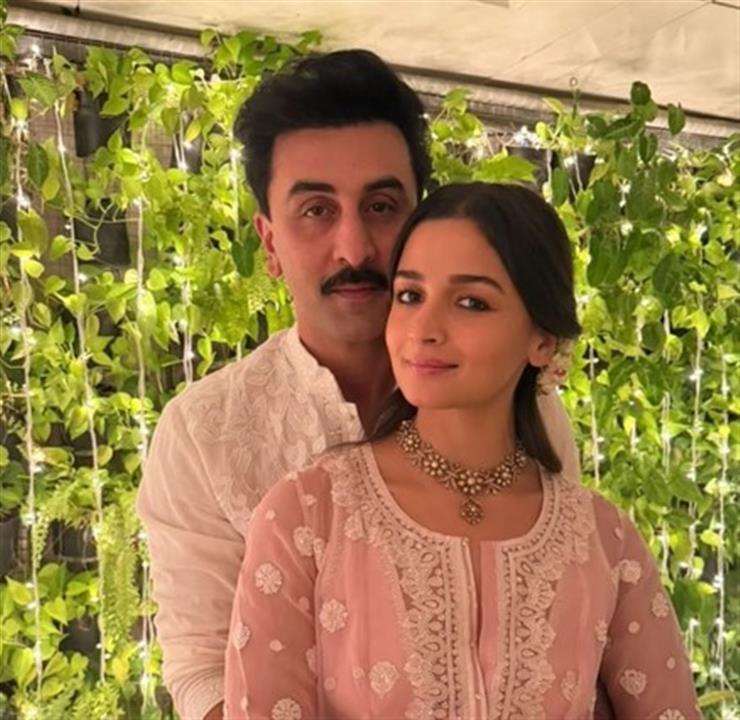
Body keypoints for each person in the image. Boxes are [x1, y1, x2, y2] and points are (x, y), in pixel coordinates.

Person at [136, 52, 579, 720]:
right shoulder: (205, 432)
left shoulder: (523, 406)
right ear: (269, 241)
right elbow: (203, 671)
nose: (354, 248)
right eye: (316, 210)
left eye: (381, 206)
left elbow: (567, 630)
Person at [223, 183, 700, 719]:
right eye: (410, 295)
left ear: (542, 341)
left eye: (471, 303)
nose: (424, 329)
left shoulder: (601, 539)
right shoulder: (310, 516)